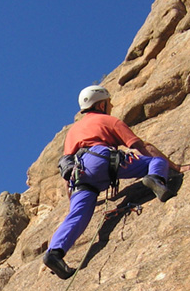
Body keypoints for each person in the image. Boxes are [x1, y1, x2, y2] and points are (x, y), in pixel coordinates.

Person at [43, 85, 181, 279]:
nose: (112, 105)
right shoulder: (109, 120)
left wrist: (72, 198)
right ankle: (155, 178)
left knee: (77, 215)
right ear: (101, 104)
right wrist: (174, 166)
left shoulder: (73, 132)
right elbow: (141, 146)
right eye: (109, 102)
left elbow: (67, 166)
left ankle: (55, 253)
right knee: (156, 161)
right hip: (101, 159)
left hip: (80, 175)